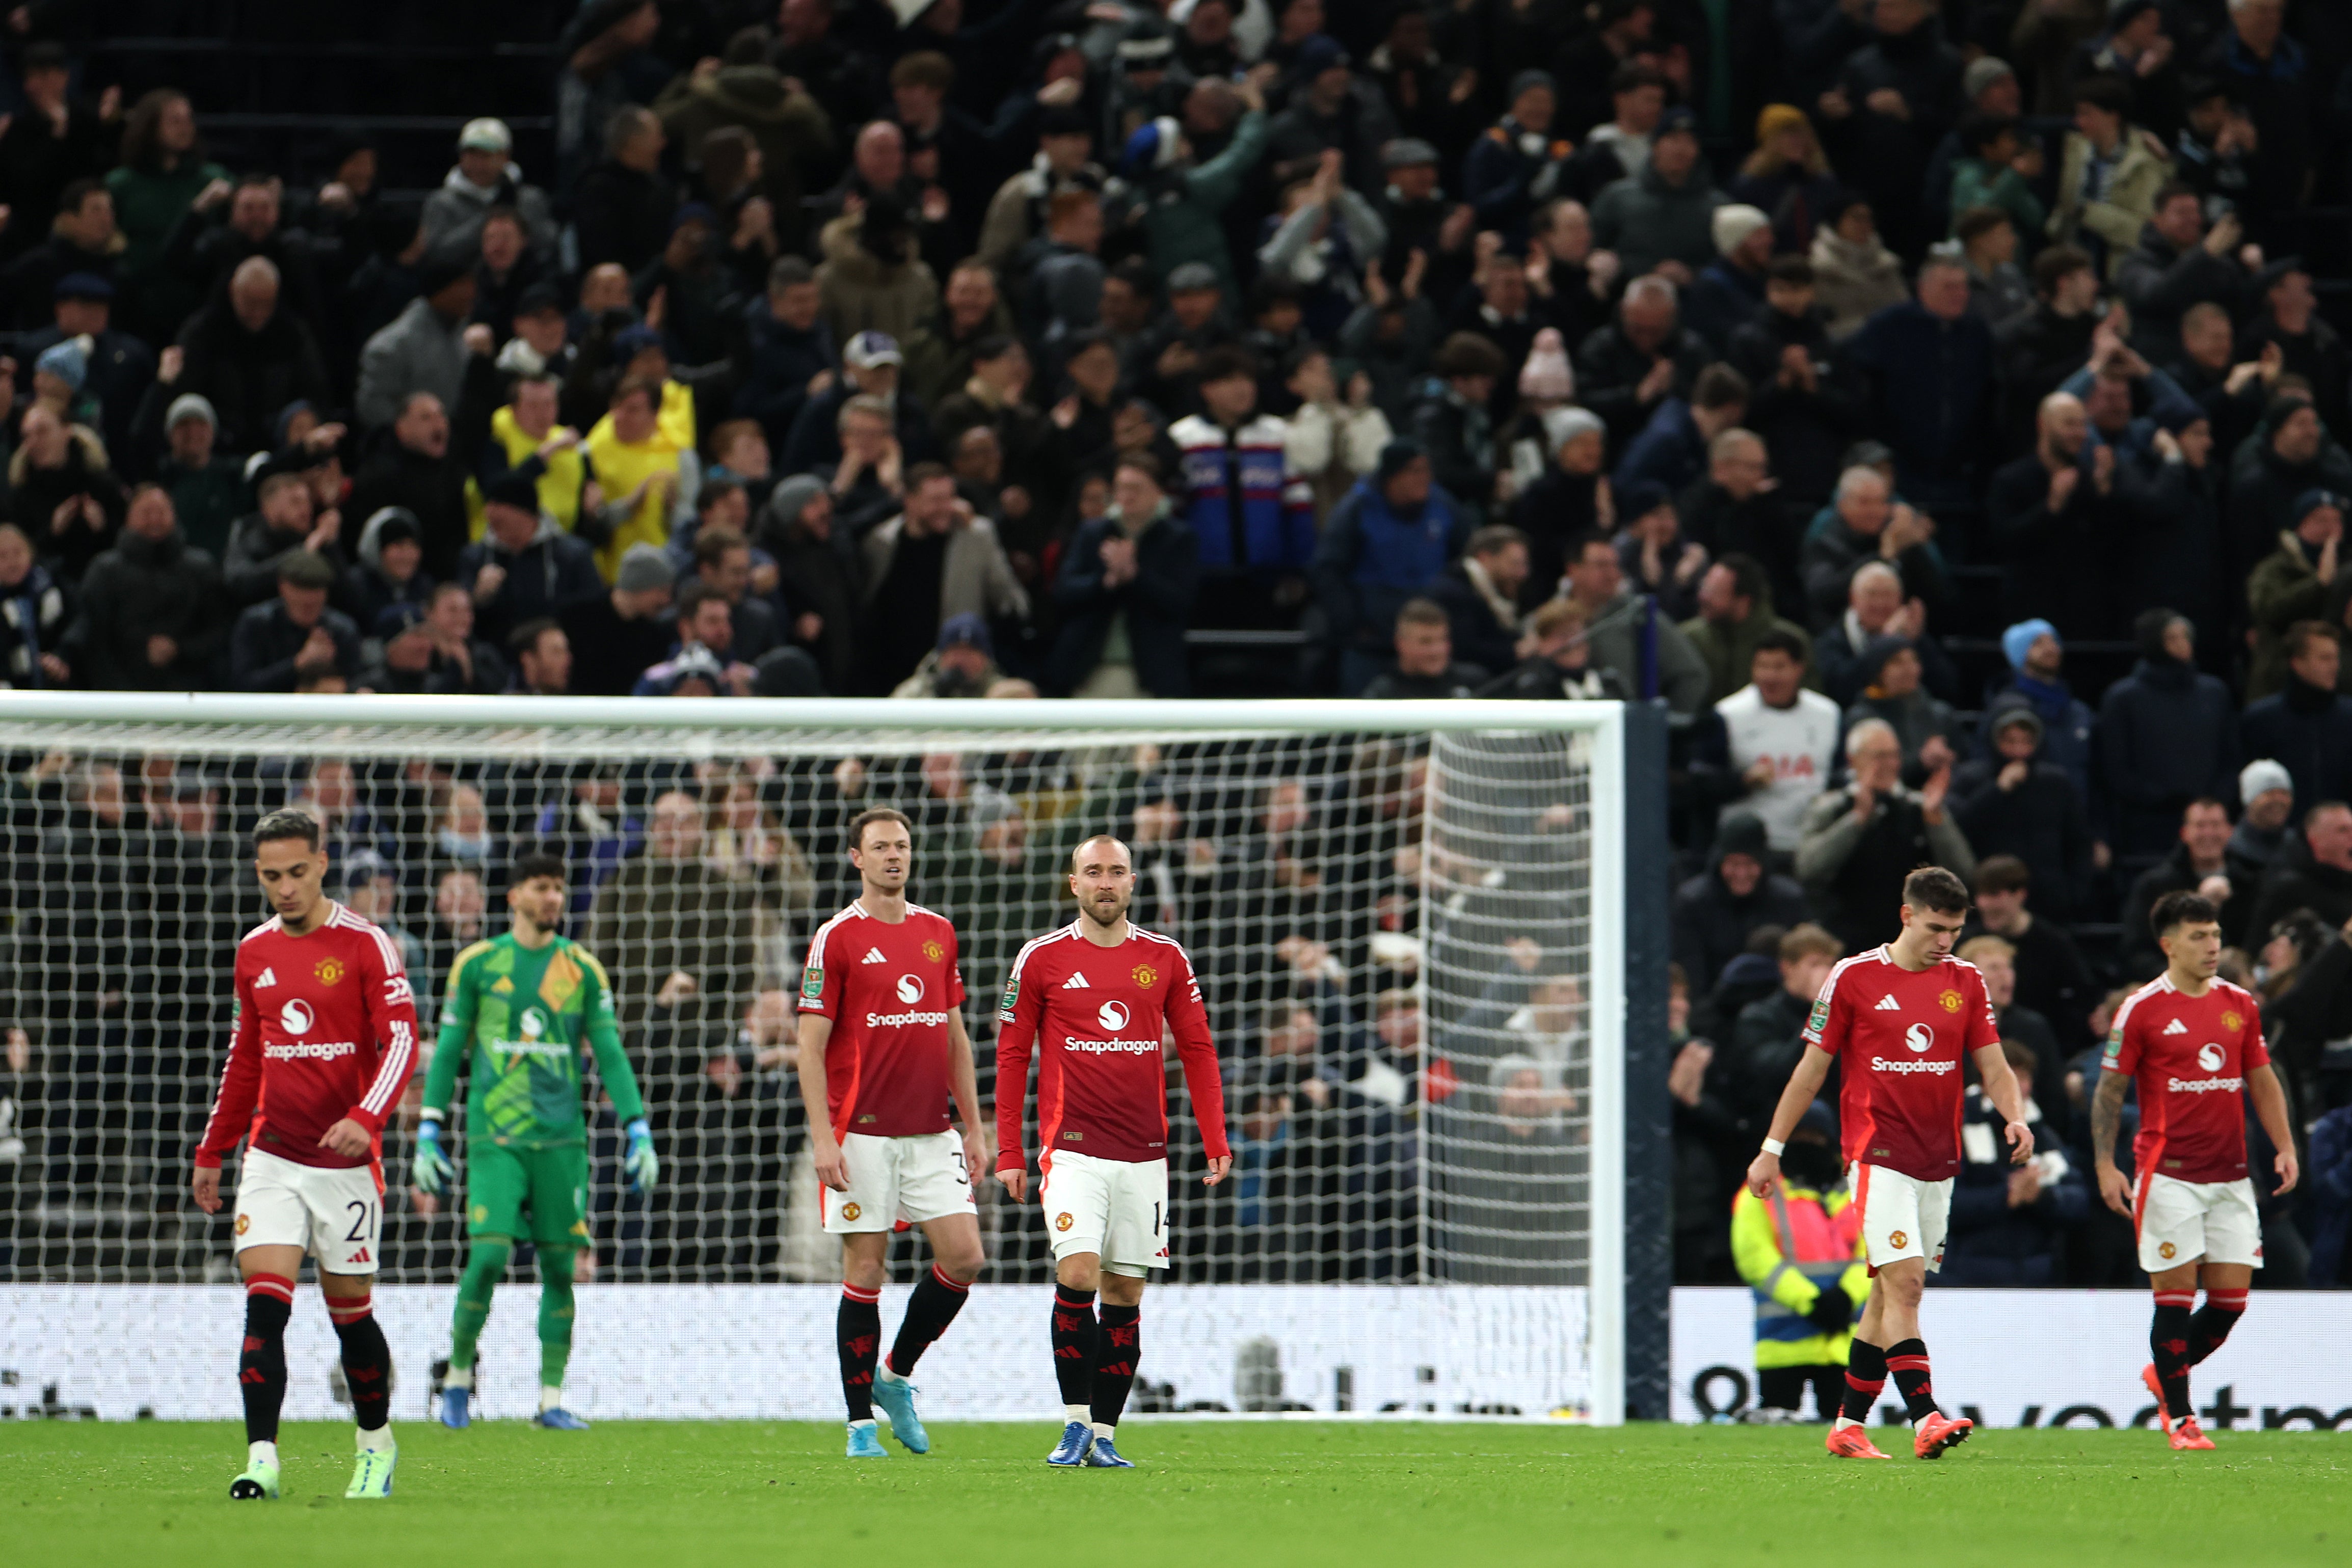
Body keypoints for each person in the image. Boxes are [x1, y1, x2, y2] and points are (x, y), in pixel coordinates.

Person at [1744, 865, 2029, 1462]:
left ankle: (1847, 1425)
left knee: (1883, 1300)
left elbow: (1993, 1064)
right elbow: (1809, 1072)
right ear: (1905, 916)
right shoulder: (1852, 977)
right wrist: (1771, 1149)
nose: (1944, 941)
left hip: (1937, 1160)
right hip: (1875, 1156)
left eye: (1953, 929)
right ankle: (1924, 1416)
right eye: (1934, 928)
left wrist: (2014, 1115)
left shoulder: (1966, 981)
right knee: (1906, 1284)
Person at [189, 809, 421, 1500]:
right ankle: (262, 1458)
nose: (284, 888)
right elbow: (246, 1058)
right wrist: (213, 1148)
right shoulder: (253, 952)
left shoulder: (365, 943)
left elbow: (403, 1040)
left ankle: (376, 1444)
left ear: (322, 863)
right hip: (273, 1157)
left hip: (346, 1165)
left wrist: (367, 1116)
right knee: (267, 1305)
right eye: (270, 876)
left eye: (296, 872)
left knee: (349, 1309)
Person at [994, 834, 1231, 1469]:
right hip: (1070, 1150)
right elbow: (1013, 1055)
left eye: (1116, 872)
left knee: (1124, 1292)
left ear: (1132, 883)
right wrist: (1008, 1152)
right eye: (1092, 872)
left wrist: (1215, 1137)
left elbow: (1198, 1050)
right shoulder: (1040, 959)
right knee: (1077, 1273)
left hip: (1144, 1154)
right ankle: (1073, 1423)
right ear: (1072, 884)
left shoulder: (1166, 958)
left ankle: (1103, 1433)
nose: (1105, 882)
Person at [411, 851, 653, 1432]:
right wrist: (428, 1126)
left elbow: (610, 1053)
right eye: (542, 888)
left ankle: (549, 1399)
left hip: (562, 1141)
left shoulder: (582, 970)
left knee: (560, 1266)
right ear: (514, 895)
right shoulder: (477, 965)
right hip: (496, 1136)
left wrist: (636, 1124)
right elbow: (447, 1052)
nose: (553, 899)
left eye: (559, 888)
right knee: (489, 1255)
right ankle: (459, 1378)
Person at [795, 808, 986, 1459]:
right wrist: (824, 1138)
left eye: (901, 846)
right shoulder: (837, 938)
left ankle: (895, 1377)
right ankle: (857, 1426)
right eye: (879, 848)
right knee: (865, 1269)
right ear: (857, 858)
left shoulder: (938, 932)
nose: (893, 857)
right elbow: (808, 1047)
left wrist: (975, 1126)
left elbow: (955, 1038)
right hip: (863, 1135)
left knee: (964, 1258)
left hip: (933, 1131)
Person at [2091, 891, 2300, 1451]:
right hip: (2167, 1175)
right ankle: (2181, 1418)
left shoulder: (2238, 1003)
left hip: (2230, 1175)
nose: (2212, 946)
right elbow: (2109, 1091)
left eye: (2214, 935)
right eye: (2198, 937)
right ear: (2167, 945)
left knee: (2230, 1302)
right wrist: (2104, 1164)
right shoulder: (2141, 1009)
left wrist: (2283, 1145)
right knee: (2174, 1297)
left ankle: (2163, 1375)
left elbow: (2260, 1076)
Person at [1729, 1100, 1867, 1421]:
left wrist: (1847, 1296)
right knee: (1777, 1443)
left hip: (1842, 1341)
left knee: (1845, 1436)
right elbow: (1754, 1258)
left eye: (1816, 1138)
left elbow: (1873, 1254)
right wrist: (1813, 1302)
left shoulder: (1857, 1192)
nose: (1808, 1146)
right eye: (1799, 1138)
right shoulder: (1761, 1192)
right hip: (1783, 1342)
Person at [1796, 719, 1973, 953]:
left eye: (1894, 756)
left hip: (1908, 943)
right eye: (1879, 757)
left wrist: (1935, 822)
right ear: (1852, 760)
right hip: (1843, 941)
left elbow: (1964, 873)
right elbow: (1808, 869)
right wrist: (1856, 820)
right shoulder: (1831, 808)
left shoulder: (1921, 808)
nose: (1889, 765)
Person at [1715, 630, 1841, 857]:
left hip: (1811, 844)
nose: (1770, 676)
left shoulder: (1828, 714)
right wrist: (1743, 782)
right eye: (1762, 667)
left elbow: (1839, 773)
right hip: (1751, 851)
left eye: (1779, 667)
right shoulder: (1728, 715)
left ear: (1799, 669)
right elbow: (1703, 784)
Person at [1671, 812, 1811, 994]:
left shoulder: (1789, 900)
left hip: (1776, 1011)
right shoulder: (1692, 903)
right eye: (1733, 864)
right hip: (1711, 1010)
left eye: (1750, 864)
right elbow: (1690, 975)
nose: (1741, 874)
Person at [1357, 598, 1485, 701]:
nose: (1436, 651)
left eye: (1443, 640)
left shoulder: (1474, 682)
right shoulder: (1383, 695)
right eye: (1426, 642)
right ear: (1401, 644)